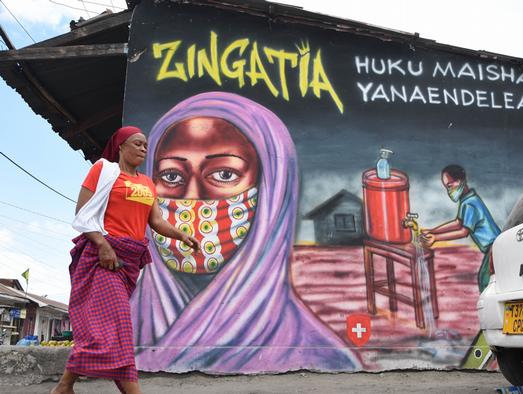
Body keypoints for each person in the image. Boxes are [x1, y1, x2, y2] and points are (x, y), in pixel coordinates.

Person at [131, 92, 360, 373]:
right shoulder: (125, 320)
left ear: (271, 192)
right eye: (171, 176)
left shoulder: (319, 354)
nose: (192, 197)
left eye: (224, 174)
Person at [52, 126, 200, 394]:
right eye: (137, 144)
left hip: (128, 262)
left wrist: (181, 235)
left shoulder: (147, 183)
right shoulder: (104, 171)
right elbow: (82, 214)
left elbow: (155, 222)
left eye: (146, 145)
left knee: (109, 329)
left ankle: (64, 387)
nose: (144, 149)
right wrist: (102, 245)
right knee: (118, 323)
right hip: (103, 259)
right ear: (120, 145)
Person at [420, 165, 500, 292]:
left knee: (485, 282)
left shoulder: (470, 204)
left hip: (494, 249)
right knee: (488, 282)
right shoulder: (467, 200)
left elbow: (464, 231)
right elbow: (458, 223)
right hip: (493, 248)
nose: (448, 190)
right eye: (447, 187)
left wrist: (436, 238)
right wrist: (432, 231)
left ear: (461, 181)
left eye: (450, 185)